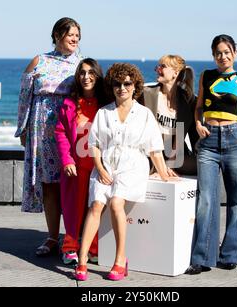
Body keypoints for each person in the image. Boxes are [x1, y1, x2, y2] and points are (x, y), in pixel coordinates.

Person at [73, 63, 172, 281]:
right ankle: (81, 261)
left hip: (132, 166)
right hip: (106, 164)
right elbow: (94, 144)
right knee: (96, 204)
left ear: (135, 85)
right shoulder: (104, 112)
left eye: (127, 83)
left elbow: (154, 149)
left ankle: (120, 260)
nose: (122, 88)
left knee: (117, 202)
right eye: (117, 84)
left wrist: (165, 173)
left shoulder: (144, 114)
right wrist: (99, 168)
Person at [185, 35, 237, 274]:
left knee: (235, 200)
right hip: (207, 142)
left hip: (233, 141)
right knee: (206, 200)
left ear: (234, 53)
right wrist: (198, 123)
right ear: (213, 55)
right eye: (218, 53)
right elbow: (199, 108)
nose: (223, 57)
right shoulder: (207, 76)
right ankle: (202, 258)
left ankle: (229, 254)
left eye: (227, 52)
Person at [14, 17, 83, 257]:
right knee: (50, 185)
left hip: (70, 131)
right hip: (41, 130)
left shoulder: (82, 65)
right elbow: (24, 97)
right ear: (56, 36)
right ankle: (53, 237)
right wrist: (22, 129)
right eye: (70, 34)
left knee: (73, 185)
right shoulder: (39, 60)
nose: (74, 39)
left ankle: (74, 239)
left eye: (77, 35)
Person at [55, 58, 106, 265]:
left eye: (90, 73)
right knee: (72, 209)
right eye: (82, 73)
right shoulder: (69, 104)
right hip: (75, 168)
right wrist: (67, 160)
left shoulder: (106, 105)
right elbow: (60, 133)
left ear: (97, 75)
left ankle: (93, 248)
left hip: (98, 168)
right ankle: (69, 247)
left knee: (95, 208)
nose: (86, 77)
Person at [141, 55, 198, 176]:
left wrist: (171, 164)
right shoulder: (147, 94)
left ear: (175, 73)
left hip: (176, 153)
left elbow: (194, 136)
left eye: (163, 66)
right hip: (152, 151)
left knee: (206, 166)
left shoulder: (189, 100)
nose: (157, 70)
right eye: (158, 66)